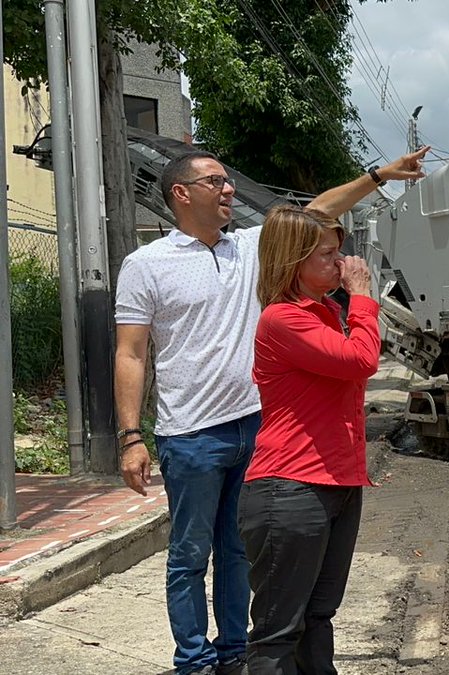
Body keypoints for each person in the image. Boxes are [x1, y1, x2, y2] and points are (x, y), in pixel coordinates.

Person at [115, 148, 428, 675]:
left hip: (256, 426)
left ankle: (237, 652)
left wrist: (380, 175)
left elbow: (318, 213)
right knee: (190, 556)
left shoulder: (247, 247)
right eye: (216, 181)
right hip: (190, 431)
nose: (230, 189)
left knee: (245, 555)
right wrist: (130, 435)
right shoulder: (146, 264)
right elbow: (131, 352)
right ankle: (194, 660)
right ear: (181, 193)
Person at [238, 206, 379, 673]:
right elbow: (361, 360)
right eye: (327, 255)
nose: (341, 264)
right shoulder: (283, 320)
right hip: (291, 487)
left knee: (318, 617)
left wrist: (350, 303)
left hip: (336, 484)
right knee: (278, 633)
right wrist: (362, 297)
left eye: (340, 254)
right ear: (292, 260)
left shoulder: (327, 313)